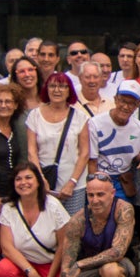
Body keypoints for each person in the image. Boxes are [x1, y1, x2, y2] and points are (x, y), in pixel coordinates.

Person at [56, 174, 137, 277]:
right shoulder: (77, 220)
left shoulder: (123, 209)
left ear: (112, 193)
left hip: (116, 264)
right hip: (87, 271)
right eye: (90, 195)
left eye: (100, 194)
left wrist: (80, 264)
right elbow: (66, 266)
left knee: (110, 271)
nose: (95, 200)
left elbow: (118, 251)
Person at [0, 161, 72, 277]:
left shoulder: (53, 205)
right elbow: (7, 247)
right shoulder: (9, 208)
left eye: (28, 177)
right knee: (3, 269)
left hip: (52, 266)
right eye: (18, 179)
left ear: (38, 181)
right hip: (26, 266)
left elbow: (64, 245)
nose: (23, 183)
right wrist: (30, 272)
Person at [71, 80, 140, 206]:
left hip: (123, 181)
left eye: (131, 103)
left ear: (138, 105)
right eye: (123, 101)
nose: (126, 107)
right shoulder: (95, 123)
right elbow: (92, 160)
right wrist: (95, 186)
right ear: (115, 99)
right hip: (99, 176)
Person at [26, 72, 88, 213]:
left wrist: (72, 182)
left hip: (74, 184)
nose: (57, 90)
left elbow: (84, 153)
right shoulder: (34, 115)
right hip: (44, 183)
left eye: (62, 86)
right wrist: (40, 179)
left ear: (69, 90)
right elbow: (31, 151)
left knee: (72, 229)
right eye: (52, 86)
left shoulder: (80, 117)